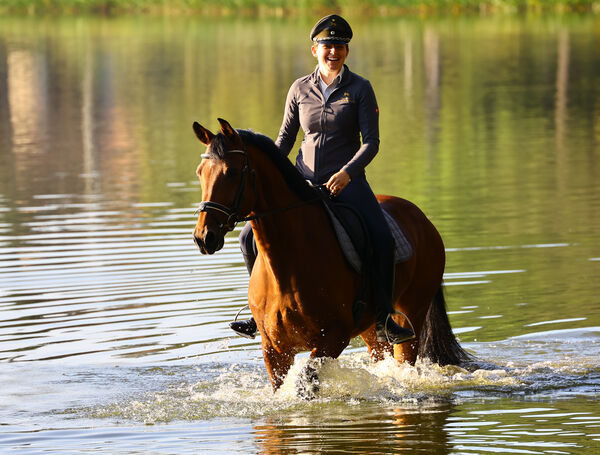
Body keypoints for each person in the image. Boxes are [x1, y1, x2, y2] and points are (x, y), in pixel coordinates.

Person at [230, 14, 414, 345]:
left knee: (382, 238)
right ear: (314, 49)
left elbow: (371, 143)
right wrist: (268, 177)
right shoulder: (299, 88)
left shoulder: (360, 89)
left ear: (346, 51)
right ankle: (259, 311)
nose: (334, 51)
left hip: (348, 182)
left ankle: (385, 317)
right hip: (302, 181)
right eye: (328, 45)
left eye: (340, 46)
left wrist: (347, 174)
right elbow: (284, 141)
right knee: (247, 237)